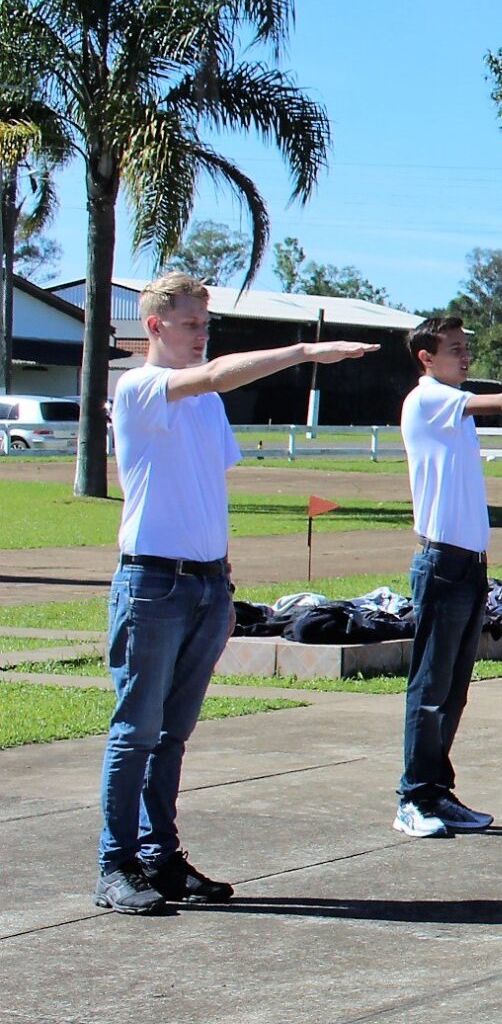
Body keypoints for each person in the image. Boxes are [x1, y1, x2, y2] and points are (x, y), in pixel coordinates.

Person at [93, 273, 376, 915]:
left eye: (206, 325)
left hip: (204, 582)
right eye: (191, 324)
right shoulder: (139, 388)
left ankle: (159, 856)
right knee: (134, 729)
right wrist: (304, 353)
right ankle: (116, 865)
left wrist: (220, 574)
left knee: (172, 733)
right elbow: (216, 375)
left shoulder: (205, 405)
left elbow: (203, 482)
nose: (202, 335)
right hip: (153, 581)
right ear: (155, 327)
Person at [397, 316, 502, 839]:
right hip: (441, 564)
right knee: (431, 685)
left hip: (469, 564)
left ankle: (436, 789)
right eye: (454, 350)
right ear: (426, 358)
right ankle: (413, 796)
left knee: (454, 689)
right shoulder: (430, 399)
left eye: (465, 349)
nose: (465, 357)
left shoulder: (452, 409)